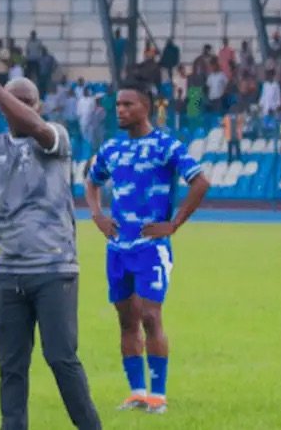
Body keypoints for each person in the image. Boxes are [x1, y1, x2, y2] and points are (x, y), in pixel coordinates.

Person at [0, 47, 102, 430]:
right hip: (8, 272)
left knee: (62, 359)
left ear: (39, 105)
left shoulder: (56, 138)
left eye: (25, 101)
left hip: (54, 269)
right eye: (11, 100)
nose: (17, 107)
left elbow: (35, 127)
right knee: (11, 369)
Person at [85, 80, 209, 415]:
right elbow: (91, 180)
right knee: (126, 320)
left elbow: (200, 182)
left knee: (151, 317)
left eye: (128, 105)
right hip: (118, 248)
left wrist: (174, 224)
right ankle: (137, 392)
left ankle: (159, 395)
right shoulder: (112, 149)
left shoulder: (166, 145)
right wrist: (97, 215)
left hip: (151, 248)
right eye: (118, 106)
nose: (121, 111)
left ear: (146, 108)